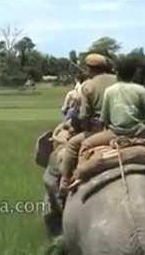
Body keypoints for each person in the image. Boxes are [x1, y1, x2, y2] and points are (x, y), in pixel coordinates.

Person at [59, 54, 117, 192]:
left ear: (89, 69)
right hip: (128, 128)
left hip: (101, 130)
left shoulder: (88, 85)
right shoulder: (120, 80)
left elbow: (84, 115)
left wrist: (85, 129)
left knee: (73, 144)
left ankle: (65, 180)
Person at [75, 57, 145, 155]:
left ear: (117, 73)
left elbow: (103, 119)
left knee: (85, 145)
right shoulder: (142, 90)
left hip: (115, 133)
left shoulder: (109, 90)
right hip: (139, 132)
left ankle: (72, 170)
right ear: (134, 74)